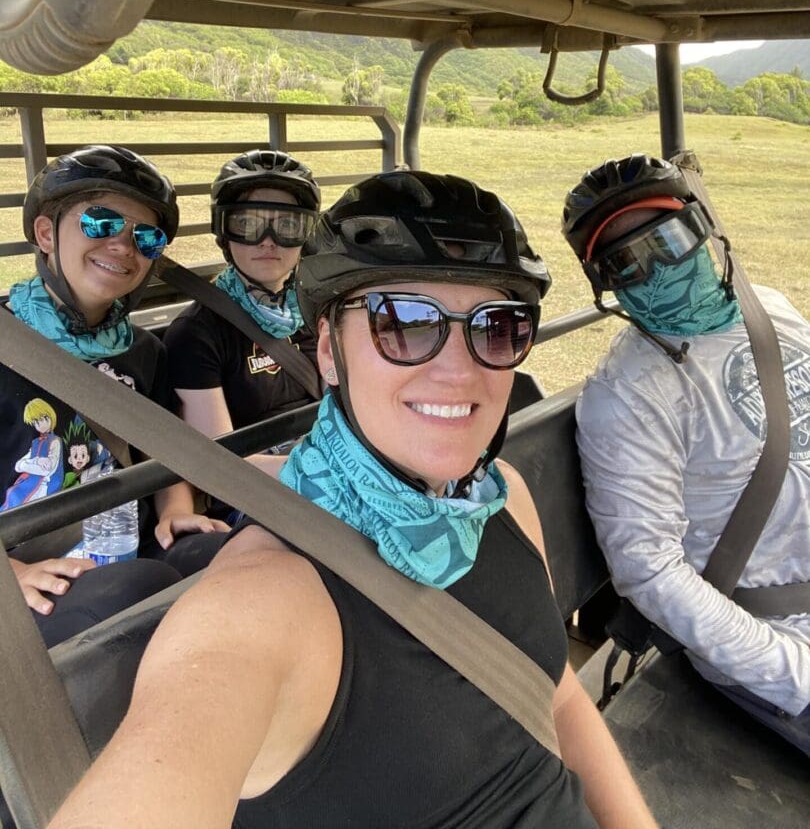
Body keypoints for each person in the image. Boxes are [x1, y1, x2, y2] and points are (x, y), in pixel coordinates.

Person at [51, 170, 654, 828]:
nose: (459, 370)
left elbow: (559, 700)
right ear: (331, 353)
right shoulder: (260, 605)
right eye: (406, 321)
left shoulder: (501, 499)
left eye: (498, 326)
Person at [562, 153, 810, 752]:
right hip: (777, 635)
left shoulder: (769, 307)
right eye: (625, 261)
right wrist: (790, 670)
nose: (657, 270)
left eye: (669, 237)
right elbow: (649, 570)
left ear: (703, 229)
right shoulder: (627, 397)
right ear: (606, 283)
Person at [1, 145, 184, 646]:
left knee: (221, 554)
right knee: (139, 591)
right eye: (101, 223)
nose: (124, 246)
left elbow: (168, 449)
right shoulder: (5, 345)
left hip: (130, 543)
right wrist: (10, 573)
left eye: (145, 237)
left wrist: (177, 510)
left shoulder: (144, 350)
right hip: (32, 572)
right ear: (45, 233)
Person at [159, 150, 321, 554]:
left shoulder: (320, 311)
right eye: (248, 224)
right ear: (225, 234)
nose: (268, 241)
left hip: (330, 464)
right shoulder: (198, 334)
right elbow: (222, 466)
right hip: (261, 494)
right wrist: (329, 474)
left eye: (287, 225)